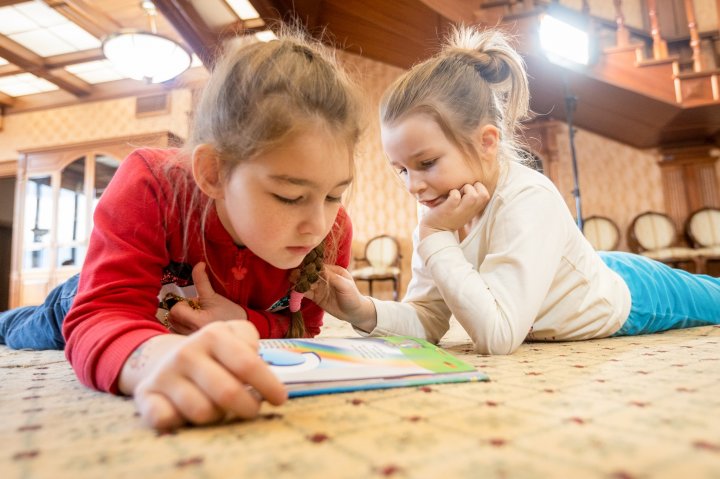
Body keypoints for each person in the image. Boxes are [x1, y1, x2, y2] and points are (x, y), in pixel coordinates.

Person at [0, 29, 363, 429]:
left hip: (184, 314)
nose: (317, 226)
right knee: (24, 329)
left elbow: (303, 329)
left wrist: (240, 319)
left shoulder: (333, 229)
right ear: (213, 172)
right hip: (90, 294)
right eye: (289, 197)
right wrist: (151, 355)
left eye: (334, 196)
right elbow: (104, 312)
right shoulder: (150, 182)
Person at [308, 25, 720, 355]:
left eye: (426, 163)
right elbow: (429, 319)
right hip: (573, 272)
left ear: (487, 142)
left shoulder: (527, 198)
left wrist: (434, 238)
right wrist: (361, 310)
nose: (413, 186)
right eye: (399, 170)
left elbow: (499, 335)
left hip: (627, 295)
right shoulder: (439, 208)